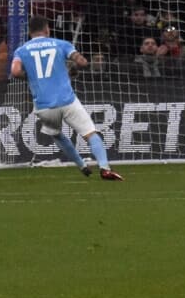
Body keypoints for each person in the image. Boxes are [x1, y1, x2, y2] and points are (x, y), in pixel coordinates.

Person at [10, 16, 122, 181]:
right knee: (91, 133)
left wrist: (31, 77)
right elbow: (82, 62)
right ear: (47, 29)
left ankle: (81, 165)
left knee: (57, 134)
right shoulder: (61, 44)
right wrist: (74, 68)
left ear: (30, 32)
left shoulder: (21, 50)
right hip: (67, 100)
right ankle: (104, 168)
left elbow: (15, 71)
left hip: (44, 105)